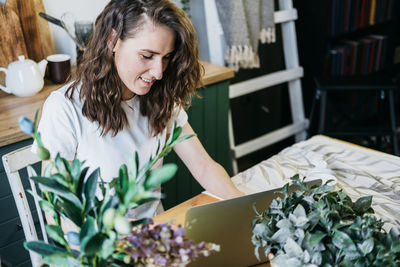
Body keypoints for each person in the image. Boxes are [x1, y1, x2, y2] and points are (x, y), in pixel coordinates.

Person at [35, 0, 243, 219]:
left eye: (167, 57)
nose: (158, 72)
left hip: (153, 235)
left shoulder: (161, 98)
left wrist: (246, 206)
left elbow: (203, 166)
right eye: (147, 56)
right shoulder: (64, 108)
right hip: (98, 247)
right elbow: (57, 205)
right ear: (112, 40)